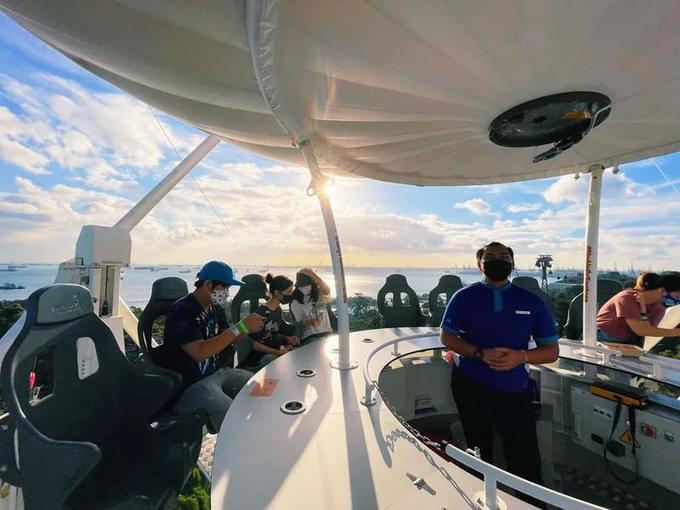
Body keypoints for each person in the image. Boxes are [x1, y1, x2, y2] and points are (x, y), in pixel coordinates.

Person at [440, 242, 559, 489]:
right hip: (470, 383)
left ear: (512, 263)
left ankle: (531, 502)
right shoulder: (464, 297)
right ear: (479, 264)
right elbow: (447, 337)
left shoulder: (531, 301)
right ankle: (479, 497)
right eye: (490, 256)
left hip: (514, 387)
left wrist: (521, 357)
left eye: (504, 256)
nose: (498, 259)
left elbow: (551, 351)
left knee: (524, 453)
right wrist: (479, 353)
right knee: (477, 447)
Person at [162, 260, 265, 432]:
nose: (226, 293)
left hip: (217, 373)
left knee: (263, 390)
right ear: (208, 285)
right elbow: (199, 353)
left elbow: (227, 338)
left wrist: (248, 327)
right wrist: (241, 326)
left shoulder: (215, 308)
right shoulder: (182, 311)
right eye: (224, 288)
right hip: (191, 385)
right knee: (237, 422)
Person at [596, 272, 680, 345]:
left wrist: (643, 310)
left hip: (626, 341)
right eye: (677, 297)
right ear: (661, 291)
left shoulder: (655, 306)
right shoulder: (627, 298)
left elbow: (650, 330)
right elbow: (642, 330)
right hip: (604, 337)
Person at [243, 274, 300, 367]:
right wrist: (278, 353)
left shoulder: (277, 310)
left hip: (276, 351)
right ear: (277, 292)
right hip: (261, 358)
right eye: (288, 292)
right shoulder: (262, 314)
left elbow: (274, 333)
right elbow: (255, 344)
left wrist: (288, 339)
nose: (291, 295)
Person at [290, 268, 333, 345]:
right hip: (310, 337)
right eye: (301, 286)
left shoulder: (320, 295)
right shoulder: (296, 303)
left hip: (327, 334)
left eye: (306, 285)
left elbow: (327, 290)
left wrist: (312, 274)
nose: (303, 288)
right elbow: (298, 325)